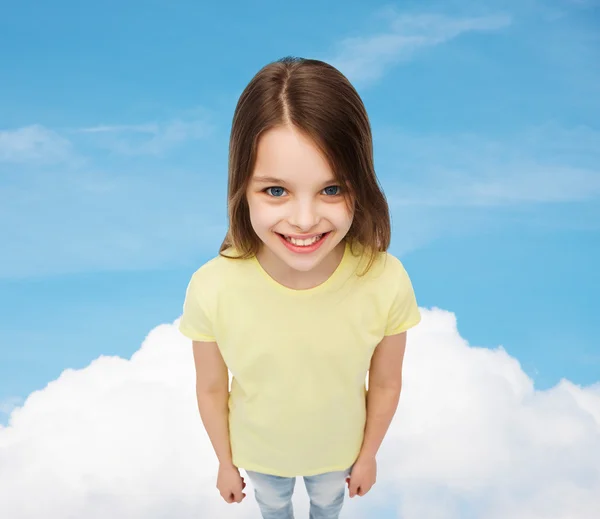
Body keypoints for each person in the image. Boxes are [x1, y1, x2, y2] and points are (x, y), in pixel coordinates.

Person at [178, 56, 421, 519]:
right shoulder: (211, 287)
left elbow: (387, 383)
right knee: (274, 508)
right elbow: (211, 388)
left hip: (339, 458)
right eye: (275, 191)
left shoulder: (386, 280)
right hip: (261, 460)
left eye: (331, 190)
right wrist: (225, 463)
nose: (305, 220)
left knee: (327, 507)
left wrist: (368, 455)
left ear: (361, 186)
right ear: (241, 189)